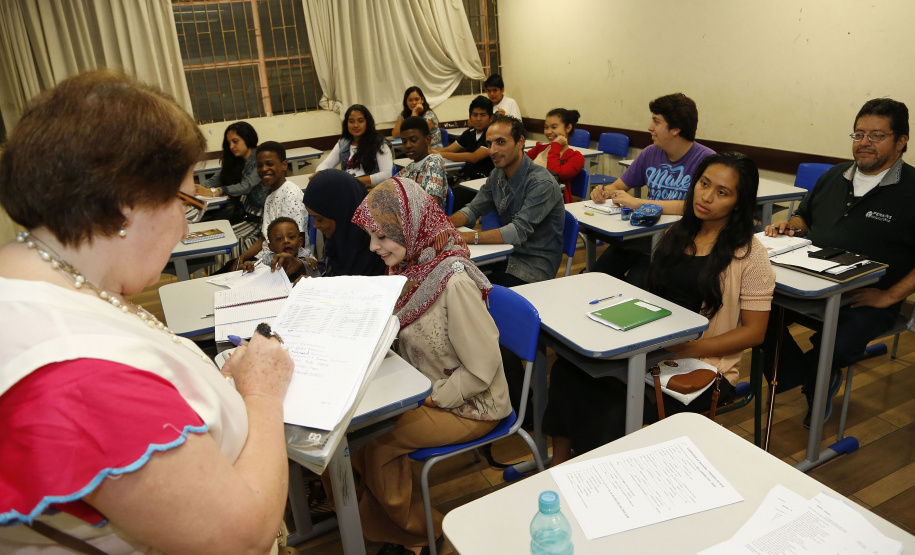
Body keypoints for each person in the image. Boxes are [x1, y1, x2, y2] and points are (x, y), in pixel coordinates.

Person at [0, 69, 294, 553]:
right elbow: (239, 539)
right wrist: (261, 394)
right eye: (184, 200)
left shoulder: (41, 280)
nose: (183, 228)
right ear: (125, 204)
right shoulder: (77, 373)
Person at [545, 152, 775, 465]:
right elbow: (653, 300)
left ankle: (597, 475)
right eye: (703, 184)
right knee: (568, 370)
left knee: (611, 402)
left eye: (722, 192)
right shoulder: (675, 233)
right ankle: (559, 467)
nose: (706, 196)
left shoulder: (750, 255)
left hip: (700, 363)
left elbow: (755, 332)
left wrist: (689, 348)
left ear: (739, 202)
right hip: (652, 345)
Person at [348, 177, 511, 555]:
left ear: (410, 227)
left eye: (381, 237)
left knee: (379, 441)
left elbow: (483, 367)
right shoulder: (407, 268)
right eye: (370, 237)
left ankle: (428, 534)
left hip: (470, 402)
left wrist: (432, 399)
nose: (373, 247)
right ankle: (394, 529)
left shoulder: (453, 281)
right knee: (355, 435)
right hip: (422, 387)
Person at [763, 98, 915, 428]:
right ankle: (808, 374)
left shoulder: (912, 190)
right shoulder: (835, 175)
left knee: (842, 342)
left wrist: (889, 298)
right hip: (811, 283)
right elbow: (805, 215)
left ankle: (818, 373)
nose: (864, 143)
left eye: (876, 135)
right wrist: (792, 227)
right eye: (859, 134)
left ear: (901, 141)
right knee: (754, 311)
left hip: (867, 299)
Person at [589, 93, 715, 284]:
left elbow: (691, 206)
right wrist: (604, 192)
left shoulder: (706, 161)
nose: (650, 127)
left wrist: (638, 203)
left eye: (656, 121)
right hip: (643, 233)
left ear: (676, 129)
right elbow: (618, 186)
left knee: (637, 282)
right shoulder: (650, 153)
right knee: (599, 274)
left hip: (678, 241)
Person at [449, 115, 564, 287]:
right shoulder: (498, 174)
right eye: (489, 144)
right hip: (503, 257)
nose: (493, 150)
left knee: (466, 290)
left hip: (532, 269)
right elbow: (473, 209)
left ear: (520, 142)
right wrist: (444, 225)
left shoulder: (541, 183)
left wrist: (463, 237)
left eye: (500, 142)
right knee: (452, 279)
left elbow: (517, 231)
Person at [228, 141, 310, 272]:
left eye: (270, 164)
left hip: (281, 262)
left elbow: (295, 246)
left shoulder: (290, 194)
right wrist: (242, 258)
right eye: (260, 165)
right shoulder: (270, 196)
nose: (264, 169)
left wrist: (259, 267)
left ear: (284, 165)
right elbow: (264, 238)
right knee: (230, 266)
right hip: (267, 257)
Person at [302, 169, 386, 277]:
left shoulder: (377, 248)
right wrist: (300, 266)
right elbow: (327, 269)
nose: (315, 225)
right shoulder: (337, 240)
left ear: (340, 212)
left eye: (319, 219)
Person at [195, 121, 269, 228]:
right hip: (241, 213)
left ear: (247, 139)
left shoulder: (260, 160)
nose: (231, 146)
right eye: (229, 143)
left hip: (258, 218)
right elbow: (214, 180)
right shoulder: (236, 161)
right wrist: (196, 189)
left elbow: (246, 186)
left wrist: (213, 192)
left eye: (235, 141)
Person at [313, 104, 393, 189]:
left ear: (367, 123)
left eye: (360, 121)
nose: (355, 125)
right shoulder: (343, 143)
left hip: (369, 190)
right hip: (348, 188)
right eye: (351, 121)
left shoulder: (379, 144)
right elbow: (327, 164)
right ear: (346, 124)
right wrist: (320, 173)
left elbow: (386, 175)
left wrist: (353, 181)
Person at [526, 108, 585, 203]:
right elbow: (520, 164)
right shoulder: (540, 148)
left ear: (568, 128)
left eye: (554, 127)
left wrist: (555, 146)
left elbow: (554, 174)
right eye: (546, 127)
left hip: (554, 202)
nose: (549, 132)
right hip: (529, 194)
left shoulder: (576, 157)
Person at [432, 95, 495, 183]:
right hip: (468, 180)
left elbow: (474, 157)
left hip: (485, 181)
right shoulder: (470, 132)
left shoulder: (492, 134)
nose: (478, 119)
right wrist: (429, 151)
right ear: (470, 117)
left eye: (483, 115)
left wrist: (440, 154)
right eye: (475, 115)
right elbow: (449, 149)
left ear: (491, 118)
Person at [240, 216, 318, 281]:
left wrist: (310, 263)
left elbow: (318, 271)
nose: (286, 241)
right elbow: (250, 268)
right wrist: (249, 265)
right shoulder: (269, 258)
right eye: (279, 239)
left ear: (300, 242)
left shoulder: (305, 254)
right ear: (271, 247)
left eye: (291, 237)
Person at [396, 116, 448, 210]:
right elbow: (391, 186)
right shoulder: (409, 168)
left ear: (427, 140)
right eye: (404, 141)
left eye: (413, 140)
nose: (407, 145)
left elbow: (431, 207)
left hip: (428, 223)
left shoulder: (433, 165)